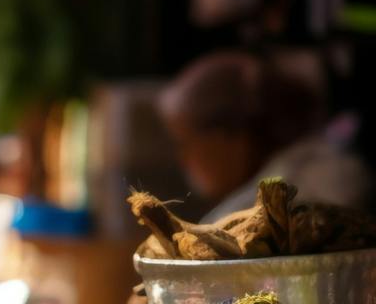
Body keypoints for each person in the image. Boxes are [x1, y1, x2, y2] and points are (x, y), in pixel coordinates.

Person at [159, 49, 371, 219]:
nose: (183, 159)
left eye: (184, 143)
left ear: (226, 137)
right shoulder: (335, 163)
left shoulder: (249, 218)